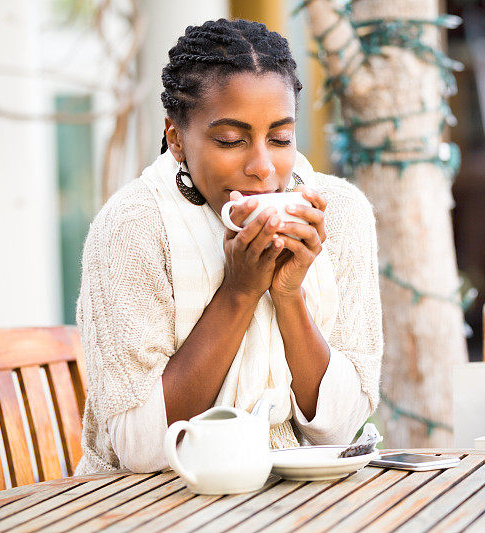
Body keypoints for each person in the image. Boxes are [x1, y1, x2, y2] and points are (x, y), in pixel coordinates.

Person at [75, 18, 383, 474]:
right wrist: (239, 292)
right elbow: (141, 452)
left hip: (292, 497)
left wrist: (288, 293)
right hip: (147, 504)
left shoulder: (338, 214)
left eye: (280, 138)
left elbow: (341, 431)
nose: (262, 167)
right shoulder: (131, 228)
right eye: (230, 140)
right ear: (177, 138)